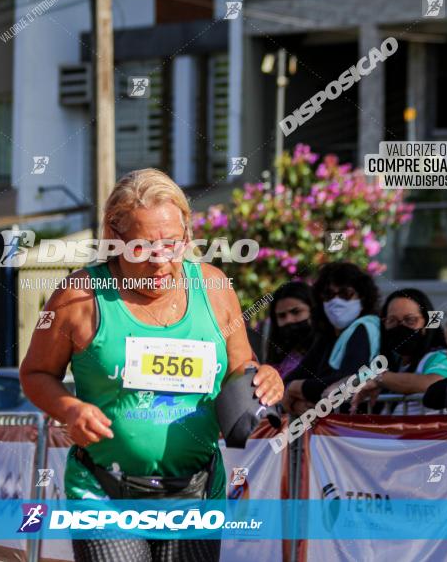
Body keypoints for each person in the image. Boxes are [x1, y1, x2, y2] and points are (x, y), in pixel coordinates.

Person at [19, 169, 283, 562]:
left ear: (188, 237)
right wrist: (70, 408)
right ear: (115, 239)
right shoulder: (80, 295)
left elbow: (240, 366)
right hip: (104, 493)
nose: (160, 262)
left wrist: (265, 378)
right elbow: (36, 373)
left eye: (172, 246)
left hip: (196, 494)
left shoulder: (214, 288)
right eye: (142, 249)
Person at [283, 262, 381, 414]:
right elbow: (289, 381)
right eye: (328, 295)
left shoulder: (364, 329)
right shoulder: (327, 337)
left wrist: (298, 387)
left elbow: (349, 381)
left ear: (362, 297)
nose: (336, 301)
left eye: (345, 294)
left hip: (357, 429)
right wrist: (296, 405)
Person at [350, 288, 447, 415]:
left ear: (427, 323)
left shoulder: (441, 356)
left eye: (410, 320)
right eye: (392, 320)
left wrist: (379, 378)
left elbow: (436, 383)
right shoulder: (395, 363)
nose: (400, 327)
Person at [263, 282, 315, 379]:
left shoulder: (328, 354)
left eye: (296, 312)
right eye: (282, 316)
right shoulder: (280, 360)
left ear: (313, 311)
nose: (288, 320)